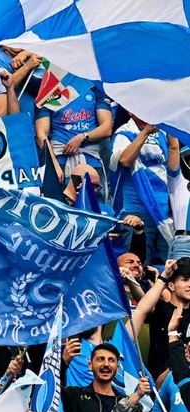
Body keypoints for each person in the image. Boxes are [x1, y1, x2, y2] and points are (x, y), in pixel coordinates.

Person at [110, 114, 180, 264]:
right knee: (138, 261)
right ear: (130, 111)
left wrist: (173, 139)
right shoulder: (124, 132)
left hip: (163, 208)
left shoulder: (161, 133)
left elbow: (173, 171)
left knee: (171, 260)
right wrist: (145, 132)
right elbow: (124, 160)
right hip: (137, 209)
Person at [35, 84, 113, 184]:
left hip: (90, 159)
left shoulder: (95, 87)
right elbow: (41, 134)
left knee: (92, 194)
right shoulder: (48, 87)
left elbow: (107, 128)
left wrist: (82, 137)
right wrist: (52, 164)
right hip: (59, 159)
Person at [130, 258, 190, 378]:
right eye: (185, 280)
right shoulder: (160, 308)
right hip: (158, 380)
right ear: (171, 286)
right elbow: (142, 307)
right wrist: (163, 276)